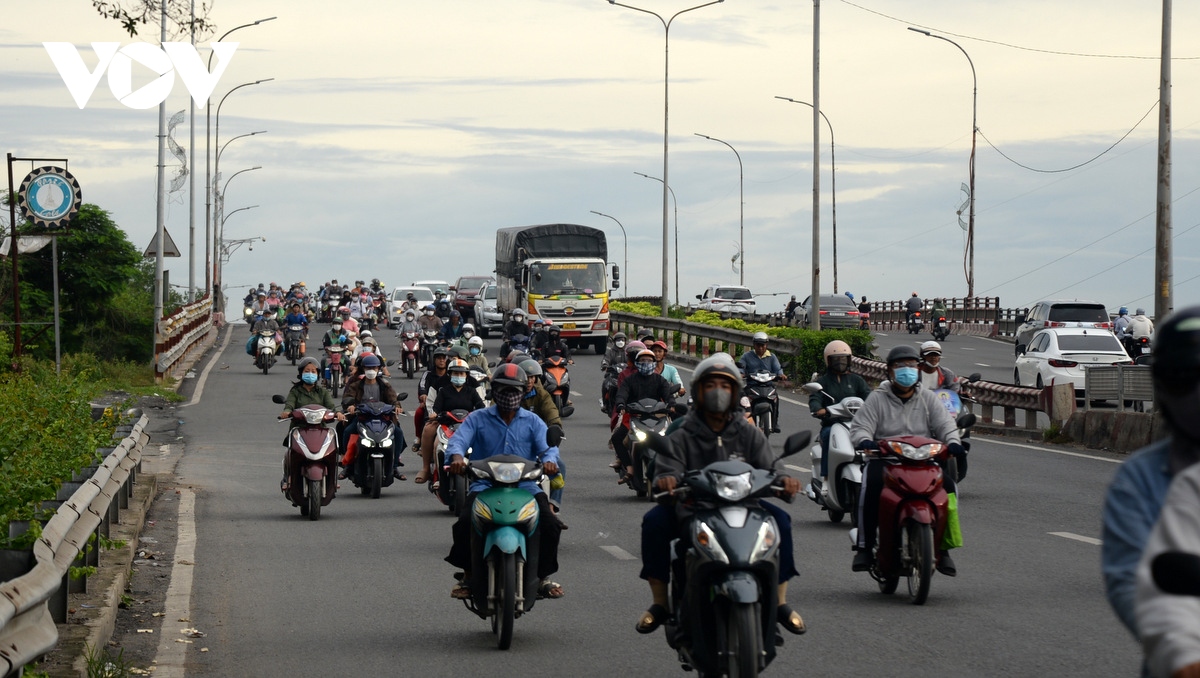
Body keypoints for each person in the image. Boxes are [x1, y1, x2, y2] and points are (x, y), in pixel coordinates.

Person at [636, 352, 805, 636]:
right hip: (692, 506)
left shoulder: (748, 432)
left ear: (735, 391)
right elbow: (668, 464)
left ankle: (779, 602)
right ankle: (660, 602)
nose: (718, 392)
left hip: (746, 506)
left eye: (725, 386)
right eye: (711, 385)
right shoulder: (683, 433)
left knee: (782, 523)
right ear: (699, 391)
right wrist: (666, 479)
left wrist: (785, 479)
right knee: (653, 523)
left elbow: (770, 466)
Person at [1103, 307, 1200, 644]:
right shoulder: (1139, 478)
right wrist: (1177, 649)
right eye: (1185, 378)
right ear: (1163, 385)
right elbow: (1128, 578)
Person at [445, 363, 564, 601]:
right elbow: (458, 441)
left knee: (551, 524)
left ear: (523, 392)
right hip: (485, 485)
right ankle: (468, 576)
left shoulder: (533, 421)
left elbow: (549, 449)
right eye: (503, 389)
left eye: (514, 390)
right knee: (465, 522)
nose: (509, 396)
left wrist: (550, 461)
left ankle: (543, 577)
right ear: (494, 391)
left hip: (526, 487)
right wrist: (457, 457)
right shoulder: (477, 419)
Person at [850, 344, 966, 575]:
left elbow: (945, 425)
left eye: (912, 366)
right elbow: (861, 427)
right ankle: (863, 546)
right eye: (900, 366)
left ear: (919, 369)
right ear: (889, 372)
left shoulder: (928, 398)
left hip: (924, 460)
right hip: (886, 459)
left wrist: (953, 443)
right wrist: (865, 441)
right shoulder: (877, 398)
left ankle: (943, 550)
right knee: (869, 485)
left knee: (949, 488)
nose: (907, 370)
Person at [416, 358, 486, 486]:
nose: (458, 376)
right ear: (450, 375)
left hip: (467, 424)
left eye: (461, 374)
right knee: (434, 438)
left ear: (466, 375)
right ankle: (430, 472)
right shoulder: (443, 390)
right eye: (455, 373)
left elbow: (481, 406)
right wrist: (434, 415)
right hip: (446, 424)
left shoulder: (472, 391)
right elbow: (435, 408)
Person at [613, 349, 678, 484]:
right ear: (637, 363)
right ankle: (629, 468)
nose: (646, 363)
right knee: (616, 439)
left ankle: (672, 468)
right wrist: (621, 404)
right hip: (634, 415)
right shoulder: (629, 380)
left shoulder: (660, 380)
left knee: (673, 437)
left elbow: (668, 394)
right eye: (643, 360)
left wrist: (671, 405)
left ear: (654, 363)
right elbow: (622, 394)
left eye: (649, 360)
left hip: (657, 416)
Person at [278, 358, 345, 490]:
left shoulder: (323, 392)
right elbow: (290, 404)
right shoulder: (295, 391)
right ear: (301, 373)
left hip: (321, 430)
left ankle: (332, 479)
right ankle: (288, 478)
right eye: (307, 371)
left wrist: (337, 413)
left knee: (331, 452)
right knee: (290, 454)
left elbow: (331, 406)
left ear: (318, 374)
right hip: (299, 429)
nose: (310, 373)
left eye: (313, 371)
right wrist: (286, 411)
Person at [808, 340, 871, 480]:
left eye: (843, 358)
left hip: (857, 424)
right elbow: (815, 398)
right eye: (836, 359)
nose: (840, 362)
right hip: (832, 425)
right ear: (828, 361)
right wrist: (818, 409)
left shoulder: (857, 380)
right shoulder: (822, 382)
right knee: (827, 435)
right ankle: (825, 478)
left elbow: (869, 397)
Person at [339, 354, 406, 479]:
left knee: (398, 433)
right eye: (368, 368)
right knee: (348, 431)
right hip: (362, 419)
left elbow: (393, 399)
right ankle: (348, 466)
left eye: (374, 368)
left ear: (378, 369)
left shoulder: (385, 385)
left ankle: (395, 466)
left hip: (383, 419)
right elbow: (348, 398)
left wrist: (397, 406)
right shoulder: (356, 385)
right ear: (363, 369)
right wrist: (351, 406)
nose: (371, 370)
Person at [516, 358, 567, 510]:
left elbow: (552, 412)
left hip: (538, 442)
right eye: (526, 377)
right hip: (513, 442)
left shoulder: (542, 394)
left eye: (532, 377)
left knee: (560, 466)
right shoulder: (510, 392)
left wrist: (555, 427)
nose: (529, 381)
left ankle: (553, 504)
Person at [413, 348, 452, 483]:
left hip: (458, 417)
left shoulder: (469, 387)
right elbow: (423, 387)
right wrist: (424, 395)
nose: (442, 360)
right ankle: (420, 442)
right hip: (435, 411)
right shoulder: (431, 377)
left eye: (444, 358)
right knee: (423, 417)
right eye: (439, 358)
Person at [737, 331, 789, 433]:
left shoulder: (772, 357)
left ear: (767, 345)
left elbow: (778, 369)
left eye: (763, 345)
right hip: (752, 386)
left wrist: (781, 375)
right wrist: (740, 373)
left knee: (776, 398)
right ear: (754, 345)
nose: (760, 348)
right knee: (742, 398)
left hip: (768, 386)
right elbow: (741, 368)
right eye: (758, 345)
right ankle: (742, 420)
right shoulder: (747, 356)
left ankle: (775, 422)